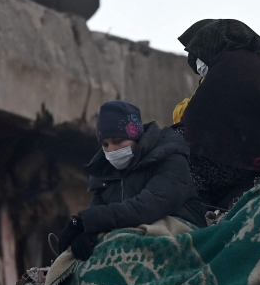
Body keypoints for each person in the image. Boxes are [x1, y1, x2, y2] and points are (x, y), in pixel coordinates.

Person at [58, 100, 207, 261]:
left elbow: (147, 207)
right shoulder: (104, 173)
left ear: (136, 136)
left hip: (180, 230)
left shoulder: (170, 157)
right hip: (133, 235)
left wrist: (85, 221)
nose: (112, 151)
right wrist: (82, 232)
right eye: (105, 145)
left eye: (118, 141)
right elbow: (98, 212)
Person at [172, 19, 260, 208]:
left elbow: (190, 119)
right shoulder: (258, 68)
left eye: (196, 53)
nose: (195, 62)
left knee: (172, 146)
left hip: (238, 162)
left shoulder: (226, 69)